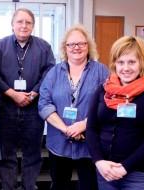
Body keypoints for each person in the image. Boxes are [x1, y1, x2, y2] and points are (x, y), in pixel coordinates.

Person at [86, 36, 144, 190]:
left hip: (142, 175)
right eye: (120, 62)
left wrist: (125, 167)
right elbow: (92, 128)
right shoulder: (103, 90)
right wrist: (98, 161)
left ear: (142, 62)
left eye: (131, 62)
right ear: (114, 64)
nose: (125, 68)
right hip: (106, 172)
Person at [0, 8, 55, 190]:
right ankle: (8, 187)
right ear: (12, 25)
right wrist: (11, 93)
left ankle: (29, 186)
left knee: (32, 155)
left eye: (28, 22)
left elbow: (49, 73)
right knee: (6, 155)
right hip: (6, 109)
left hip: (34, 110)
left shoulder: (44, 47)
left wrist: (33, 93)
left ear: (33, 26)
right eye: (20, 22)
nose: (24, 26)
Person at [38, 24, 109, 190]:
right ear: (65, 48)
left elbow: (107, 102)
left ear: (88, 46)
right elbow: (44, 103)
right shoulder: (54, 73)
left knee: (89, 185)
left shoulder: (101, 71)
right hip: (58, 142)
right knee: (59, 185)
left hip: (89, 142)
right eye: (71, 44)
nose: (76, 47)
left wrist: (84, 125)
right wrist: (66, 129)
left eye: (81, 43)